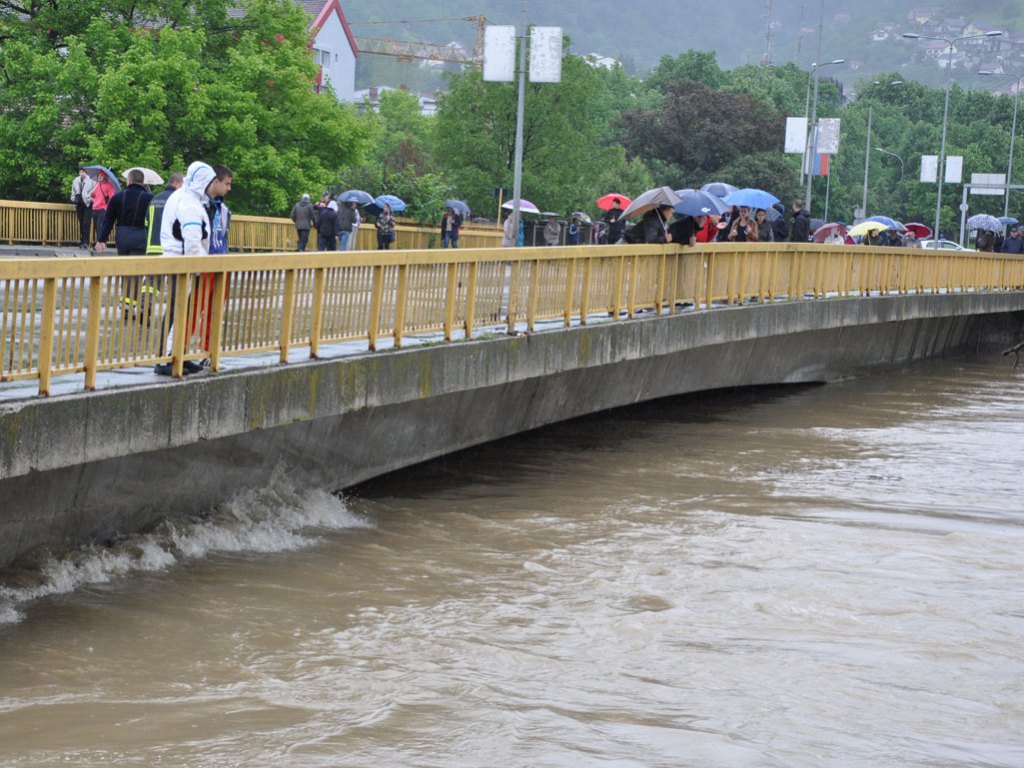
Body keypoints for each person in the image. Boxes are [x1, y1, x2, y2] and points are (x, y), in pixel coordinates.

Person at [156, 160, 233, 376]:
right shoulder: (189, 203)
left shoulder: (184, 197)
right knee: (179, 311)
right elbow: (192, 241)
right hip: (184, 263)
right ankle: (167, 358)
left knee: (181, 310)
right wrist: (199, 265)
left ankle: (177, 354)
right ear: (204, 182)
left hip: (179, 261)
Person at [95, 169, 154, 317]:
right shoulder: (149, 198)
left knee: (125, 271)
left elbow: (108, 220)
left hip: (122, 236)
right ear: (143, 182)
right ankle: (133, 304)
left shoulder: (118, 197)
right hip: (141, 236)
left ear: (129, 180)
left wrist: (101, 239)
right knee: (137, 271)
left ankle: (126, 304)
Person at [69, 168, 95, 249]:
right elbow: (73, 191)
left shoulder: (91, 181)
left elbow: (94, 192)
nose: (81, 173)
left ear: (86, 173)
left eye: (83, 172)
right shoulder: (76, 180)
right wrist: (73, 198)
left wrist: (89, 198)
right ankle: (82, 241)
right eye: (80, 172)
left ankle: (86, 242)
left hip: (88, 203)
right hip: (79, 203)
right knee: (81, 222)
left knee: (86, 223)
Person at [90, 170, 117, 248]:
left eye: (101, 176)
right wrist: (92, 195)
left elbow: (112, 198)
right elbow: (95, 196)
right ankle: (100, 243)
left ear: (105, 176)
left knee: (100, 226)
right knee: (96, 226)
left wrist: (107, 208)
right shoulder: (96, 184)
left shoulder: (109, 186)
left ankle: (101, 244)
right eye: (98, 175)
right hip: (95, 207)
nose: (99, 177)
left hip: (103, 208)